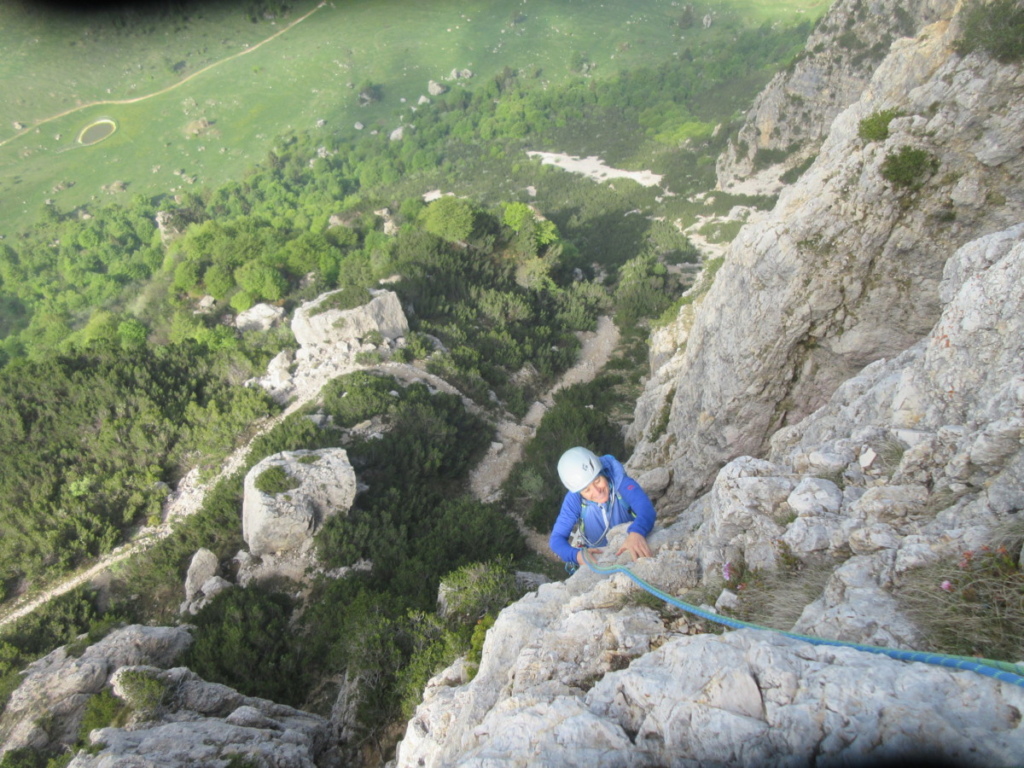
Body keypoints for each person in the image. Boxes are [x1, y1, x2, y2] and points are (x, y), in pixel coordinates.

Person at [549, 446, 656, 569]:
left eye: (597, 481)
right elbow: (557, 539)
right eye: (587, 490)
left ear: (602, 472)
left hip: (628, 539)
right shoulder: (574, 499)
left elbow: (646, 509)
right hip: (598, 555)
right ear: (579, 491)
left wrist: (637, 532)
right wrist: (577, 555)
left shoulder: (619, 480)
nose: (597, 491)